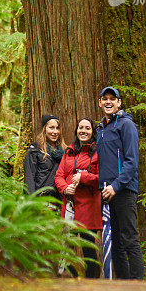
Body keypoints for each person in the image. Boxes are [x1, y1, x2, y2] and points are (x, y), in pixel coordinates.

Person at [97, 86, 144, 280]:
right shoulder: (101, 129)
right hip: (106, 192)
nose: (108, 102)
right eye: (104, 99)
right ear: (100, 103)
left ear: (119, 103)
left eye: (112, 99)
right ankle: (124, 284)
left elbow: (132, 161)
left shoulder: (126, 126)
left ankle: (137, 284)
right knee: (114, 241)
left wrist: (116, 186)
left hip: (123, 191)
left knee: (129, 239)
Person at [55, 118, 102, 278]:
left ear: (92, 132)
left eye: (87, 128)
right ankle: (72, 282)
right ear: (76, 131)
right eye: (81, 128)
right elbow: (59, 175)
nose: (83, 131)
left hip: (89, 206)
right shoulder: (69, 150)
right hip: (70, 205)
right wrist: (64, 188)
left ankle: (91, 284)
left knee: (88, 248)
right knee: (67, 248)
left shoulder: (97, 151)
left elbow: (102, 177)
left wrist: (84, 177)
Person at [23, 114, 65, 202]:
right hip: (40, 199)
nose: (55, 131)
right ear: (44, 129)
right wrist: (31, 201)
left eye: (57, 128)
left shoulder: (64, 151)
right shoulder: (35, 151)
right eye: (51, 128)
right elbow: (29, 178)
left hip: (59, 200)